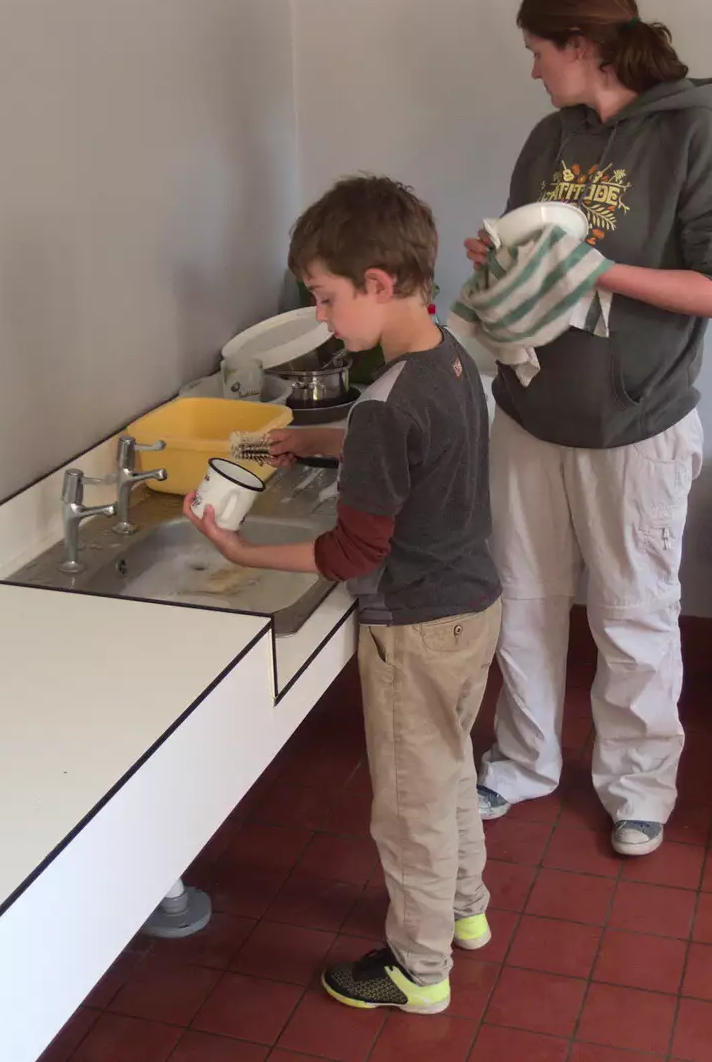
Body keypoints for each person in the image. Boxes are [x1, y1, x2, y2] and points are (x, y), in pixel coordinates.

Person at [184, 174, 501, 1015]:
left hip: (418, 628)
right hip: (474, 607)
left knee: (409, 804)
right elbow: (389, 431)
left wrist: (239, 544)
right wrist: (306, 437)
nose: (321, 319)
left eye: (325, 300)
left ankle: (418, 968)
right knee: (450, 767)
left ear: (378, 285)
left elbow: (352, 550)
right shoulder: (448, 356)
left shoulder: (388, 404)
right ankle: (465, 912)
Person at [467, 0, 712, 857]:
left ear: (582, 45)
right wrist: (496, 257)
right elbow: (529, 260)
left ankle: (637, 789)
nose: (532, 69)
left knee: (632, 613)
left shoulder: (692, 139)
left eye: (538, 49)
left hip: (638, 424)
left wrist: (601, 271)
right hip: (529, 411)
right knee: (522, 601)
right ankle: (522, 760)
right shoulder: (552, 135)